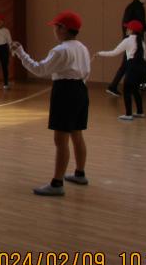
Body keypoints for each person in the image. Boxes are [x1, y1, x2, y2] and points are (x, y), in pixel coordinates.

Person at [11, 11, 90, 197]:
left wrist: (20, 52)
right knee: (77, 134)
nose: (54, 30)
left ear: (63, 29)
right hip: (81, 91)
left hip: (65, 93)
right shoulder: (82, 48)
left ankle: (57, 183)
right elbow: (86, 72)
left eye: (56, 27)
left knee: (61, 139)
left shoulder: (60, 50)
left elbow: (39, 69)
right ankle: (80, 173)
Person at [97, 20, 146, 121]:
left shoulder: (128, 40)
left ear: (132, 30)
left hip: (132, 67)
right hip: (142, 68)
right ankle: (140, 112)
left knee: (127, 90)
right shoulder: (142, 42)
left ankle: (128, 114)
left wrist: (100, 53)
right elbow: (144, 57)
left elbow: (114, 53)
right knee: (135, 90)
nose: (126, 29)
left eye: (128, 28)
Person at [106, 0, 146, 97]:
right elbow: (140, 24)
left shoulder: (132, 7)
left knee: (126, 64)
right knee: (138, 63)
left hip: (130, 39)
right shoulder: (137, 7)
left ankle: (113, 86)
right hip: (134, 40)